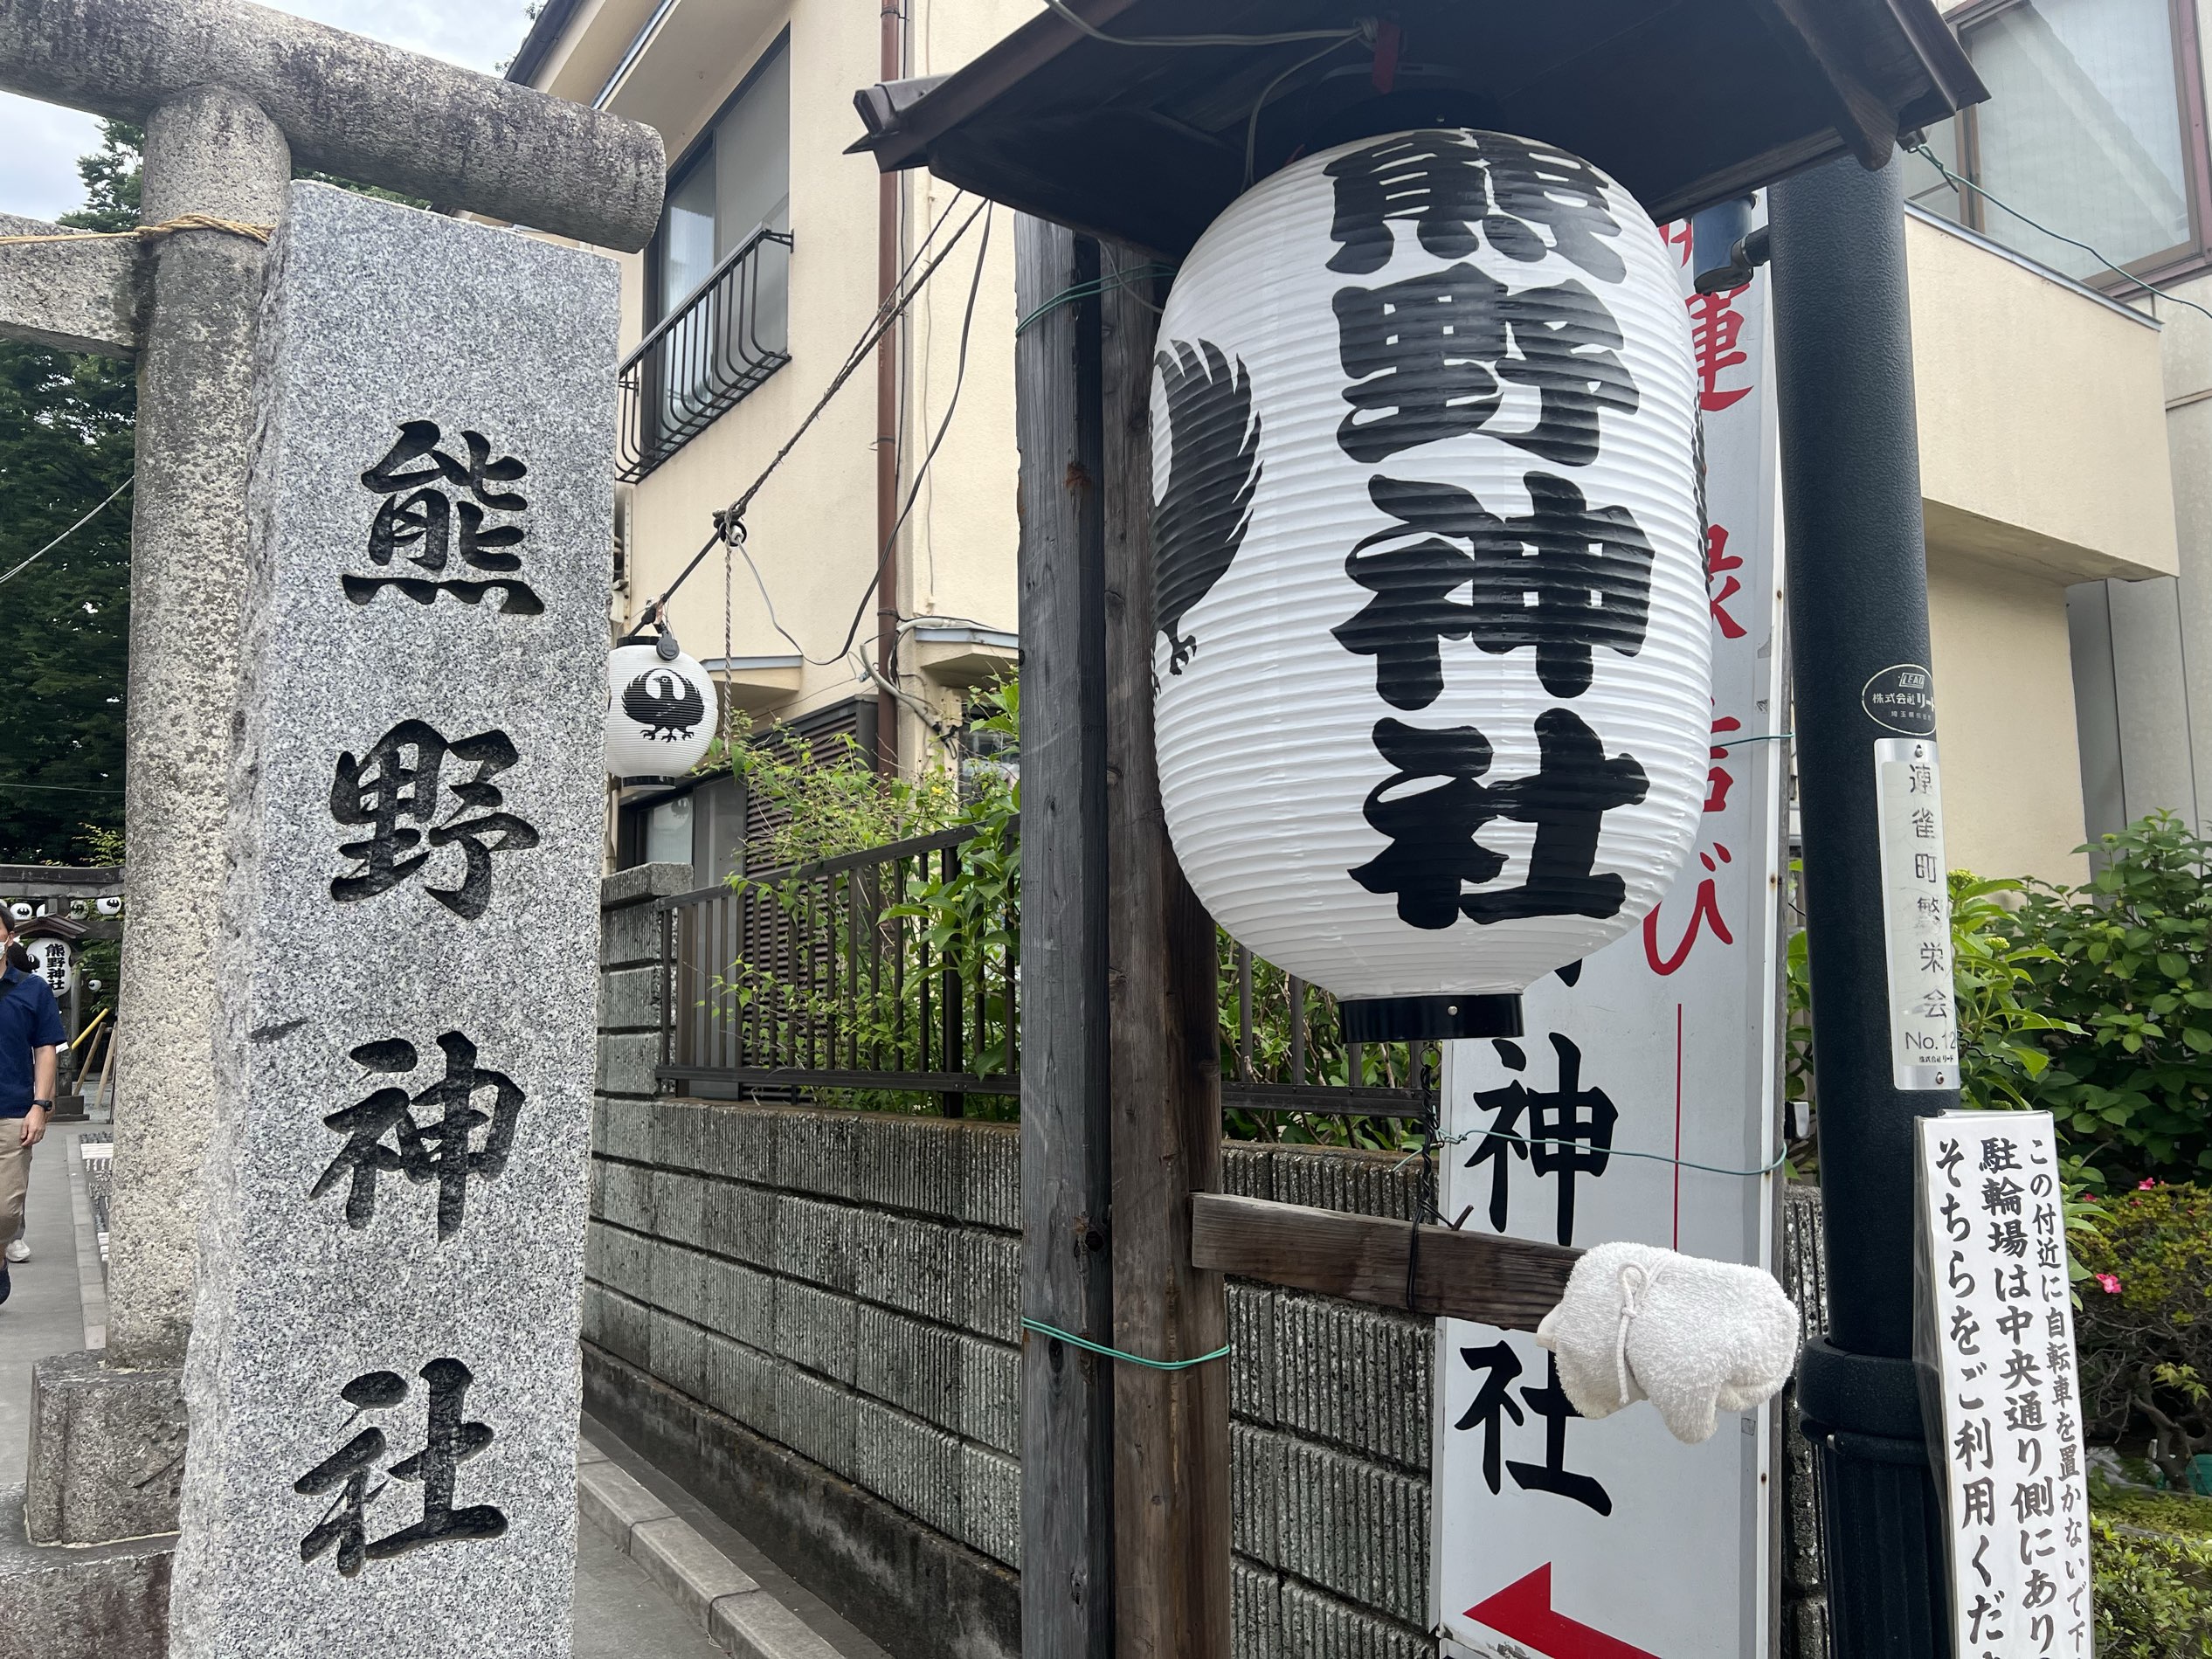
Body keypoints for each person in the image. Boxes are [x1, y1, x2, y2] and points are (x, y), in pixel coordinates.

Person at [0, 913, 62, 1305]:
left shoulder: (32, 989)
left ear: (8, 937)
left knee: (6, 1208)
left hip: (12, 1111)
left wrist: (41, 1105)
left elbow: (45, 1049)